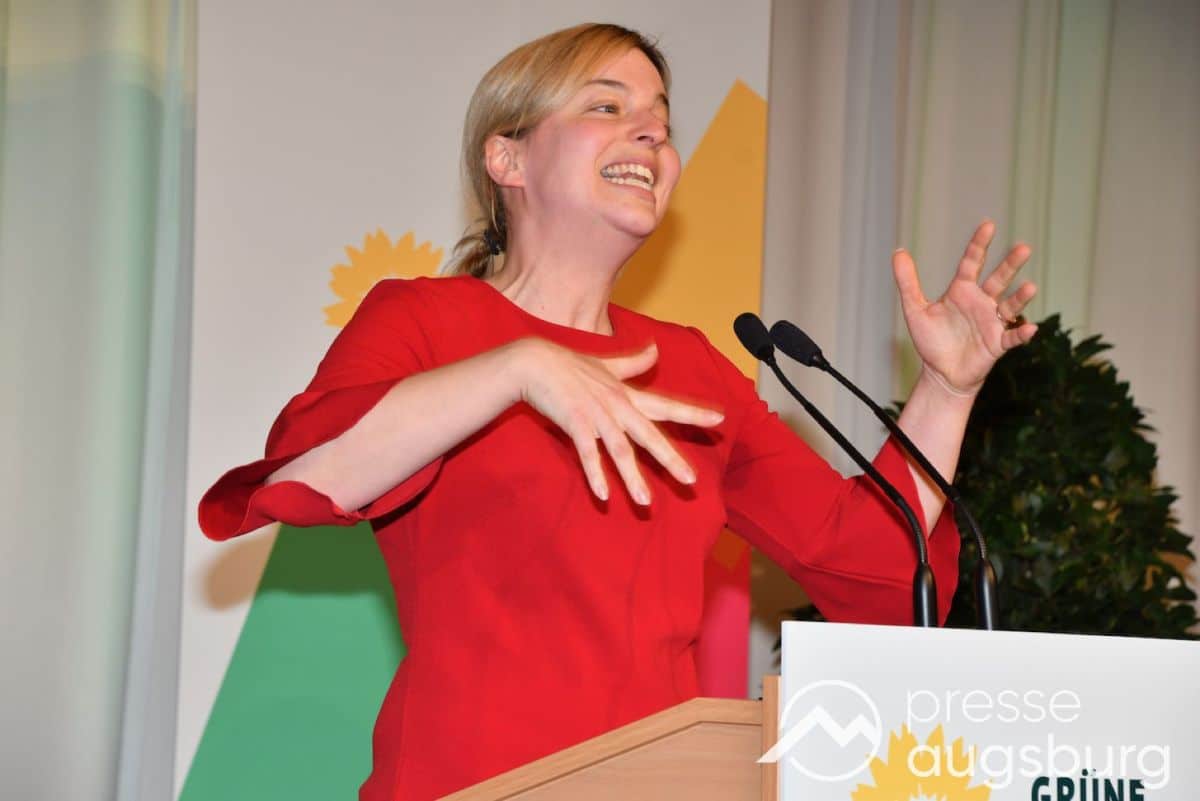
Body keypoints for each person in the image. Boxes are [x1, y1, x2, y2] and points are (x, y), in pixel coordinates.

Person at [198, 22, 1038, 801]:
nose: (651, 135)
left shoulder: (690, 369)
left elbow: (879, 566)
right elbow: (310, 472)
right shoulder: (424, 319)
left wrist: (948, 388)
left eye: (661, 122)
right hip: (467, 781)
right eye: (607, 106)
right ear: (507, 158)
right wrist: (518, 367)